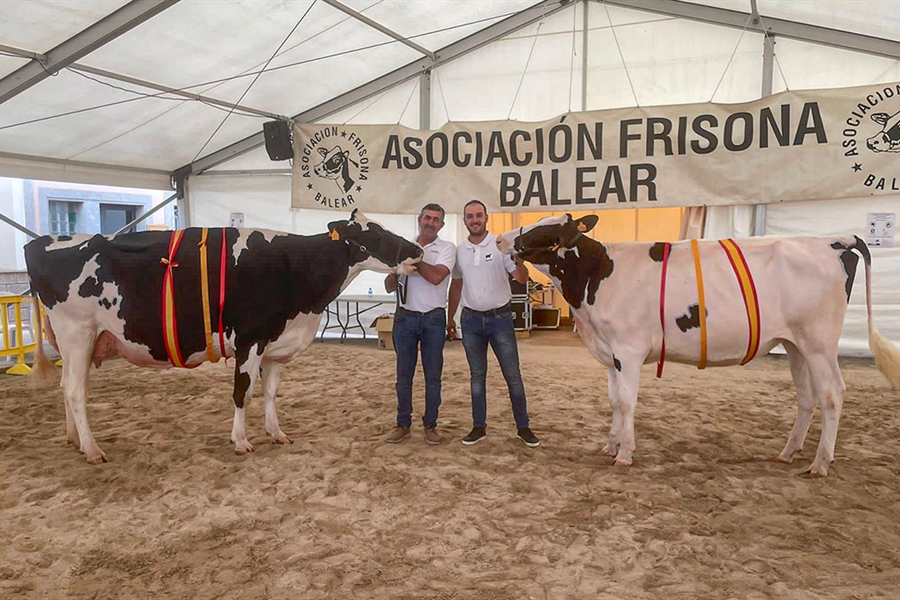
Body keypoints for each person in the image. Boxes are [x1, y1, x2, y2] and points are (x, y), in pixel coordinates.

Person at [447, 199, 540, 448]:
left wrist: (519, 258)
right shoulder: (460, 251)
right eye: (470, 216)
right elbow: (456, 284)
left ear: (486, 218)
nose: (474, 220)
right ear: (465, 220)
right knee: (477, 376)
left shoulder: (500, 245)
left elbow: (521, 278)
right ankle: (479, 427)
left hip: (500, 319)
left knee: (513, 375)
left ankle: (523, 427)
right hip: (471, 320)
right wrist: (450, 318)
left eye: (479, 215)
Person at [384, 203, 456, 445]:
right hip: (405, 317)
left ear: (441, 225)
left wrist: (413, 259)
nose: (430, 222)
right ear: (419, 219)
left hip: (434, 319)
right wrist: (397, 270)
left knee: (433, 376)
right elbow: (388, 286)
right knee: (403, 376)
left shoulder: (447, 248)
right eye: (427, 218)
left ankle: (430, 424)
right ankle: (403, 424)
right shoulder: (402, 247)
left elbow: (437, 277)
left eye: (436, 220)